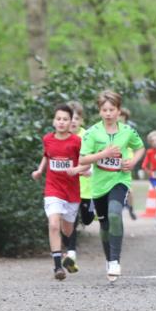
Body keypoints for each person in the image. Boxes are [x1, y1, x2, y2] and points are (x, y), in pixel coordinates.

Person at [79, 90, 145, 281]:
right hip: (99, 185)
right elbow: (83, 159)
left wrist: (133, 162)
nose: (108, 113)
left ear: (118, 111)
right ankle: (109, 259)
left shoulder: (127, 131)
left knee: (115, 213)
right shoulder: (92, 132)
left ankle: (115, 261)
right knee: (105, 224)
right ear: (100, 111)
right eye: (104, 110)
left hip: (120, 180)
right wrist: (103, 155)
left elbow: (140, 147)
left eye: (112, 109)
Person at [31, 103, 88, 280]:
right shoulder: (47, 139)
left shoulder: (77, 142)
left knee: (67, 228)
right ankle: (58, 267)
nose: (61, 122)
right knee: (54, 224)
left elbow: (86, 162)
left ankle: (66, 254)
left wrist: (78, 170)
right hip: (53, 188)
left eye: (65, 119)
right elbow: (47, 155)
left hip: (72, 191)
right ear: (53, 121)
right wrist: (40, 170)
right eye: (58, 119)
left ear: (71, 122)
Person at [65, 101, 94, 270]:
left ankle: (94, 211)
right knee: (71, 221)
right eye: (71, 118)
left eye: (77, 118)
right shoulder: (62, 137)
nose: (74, 121)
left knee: (88, 219)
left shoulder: (88, 136)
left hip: (88, 188)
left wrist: (89, 170)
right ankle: (71, 253)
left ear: (82, 120)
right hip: (69, 188)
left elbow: (95, 157)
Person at [119, 108, 139, 221]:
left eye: (123, 118)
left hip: (126, 162)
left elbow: (137, 147)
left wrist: (132, 160)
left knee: (129, 190)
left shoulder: (129, 131)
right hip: (113, 164)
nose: (120, 119)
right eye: (119, 117)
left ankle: (131, 208)